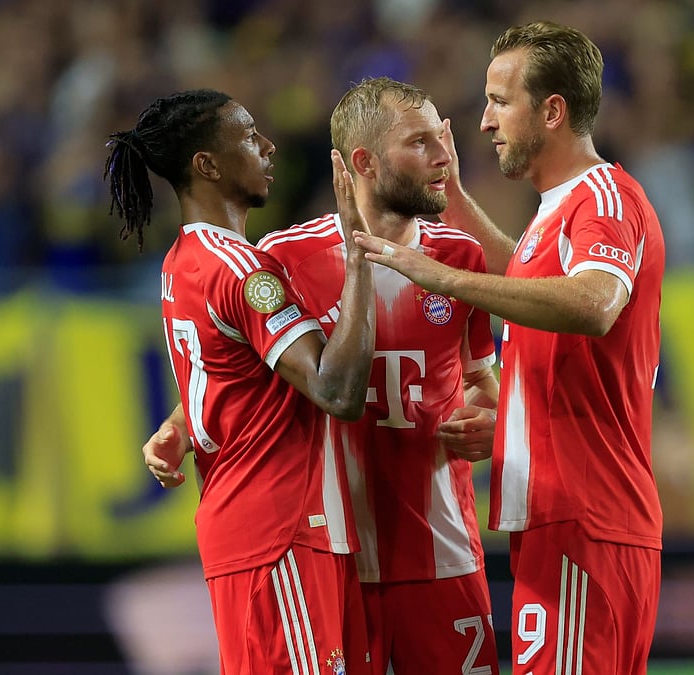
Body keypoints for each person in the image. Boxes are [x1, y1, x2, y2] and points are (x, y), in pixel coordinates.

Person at [353, 22, 666, 675]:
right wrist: (458, 201)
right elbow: (525, 283)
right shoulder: (557, 211)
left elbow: (594, 303)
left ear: (552, 110)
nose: (485, 120)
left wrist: (443, 276)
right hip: (563, 517)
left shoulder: (602, 199)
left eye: (500, 101)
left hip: (585, 515)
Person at [105, 89, 377, 675]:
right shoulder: (243, 269)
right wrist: (359, 258)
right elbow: (335, 391)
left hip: (246, 529)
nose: (268, 146)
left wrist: (177, 425)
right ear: (207, 164)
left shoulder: (183, 261)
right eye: (250, 136)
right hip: (281, 528)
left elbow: (224, 375)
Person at [257, 77, 501, 675]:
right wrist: (179, 423)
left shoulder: (460, 260)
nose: (444, 156)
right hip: (331, 556)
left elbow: (482, 385)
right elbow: (250, 374)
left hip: (441, 550)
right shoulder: (284, 259)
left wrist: (493, 423)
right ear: (363, 162)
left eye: (442, 138)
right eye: (420, 142)